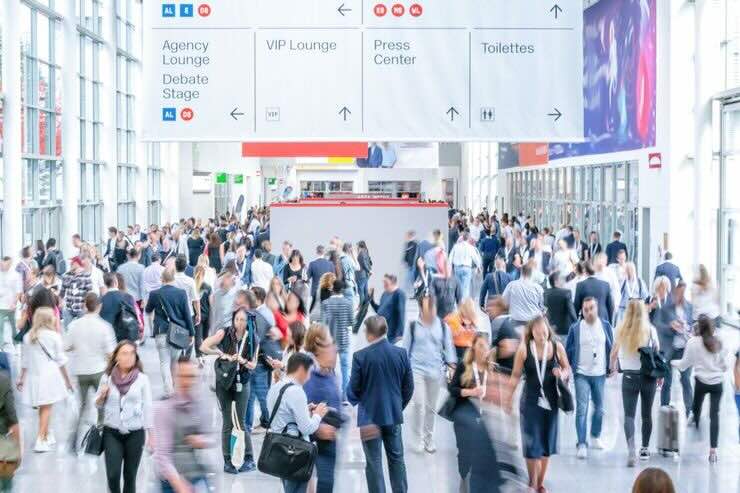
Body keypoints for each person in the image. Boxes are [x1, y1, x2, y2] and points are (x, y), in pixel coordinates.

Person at [348, 316, 413, 493]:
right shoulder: (401, 354)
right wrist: (397, 406)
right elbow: (409, 388)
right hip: (393, 415)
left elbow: (352, 391)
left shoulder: (360, 357)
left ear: (369, 334)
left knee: (373, 464)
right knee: (397, 459)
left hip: (369, 420)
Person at [507, 316, 570, 493]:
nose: (542, 336)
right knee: (531, 444)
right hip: (530, 402)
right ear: (531, 333)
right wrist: (508, 399)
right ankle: (532, 482)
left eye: (544, 332)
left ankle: (540, 483)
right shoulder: (524, 349)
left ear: (548, 331)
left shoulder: (557, 347)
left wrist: (562, 374)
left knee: (546, 444)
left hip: (551, 403)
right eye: (537, 332)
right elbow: (515, 376)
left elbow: (567, 368)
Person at [200, 307, 260, 474]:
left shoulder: (253, 338)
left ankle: (248, 458)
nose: (239, 323)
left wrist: (243, 361)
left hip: (243, 381)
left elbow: (253, 364)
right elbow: (204, 346)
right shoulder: (224, 333)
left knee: (240, 422)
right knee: (227, 422)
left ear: (248, 322)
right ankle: (227, 461)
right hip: (225, 380)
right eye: (236, 319)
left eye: (242, 320)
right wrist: (221, 354)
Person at [96, 341, 153, 493]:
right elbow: (97, 405)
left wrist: (152, 435)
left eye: (132, 353)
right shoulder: (107, 378)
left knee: (130, 476)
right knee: (113, 475)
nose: (129, 357)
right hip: (111, 432)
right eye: (124, 353)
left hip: (135, 433)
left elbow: (148, 407)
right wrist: (102, 396)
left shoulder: (142, 379)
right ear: (116, 357)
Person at [402, 295, 456, 454]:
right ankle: (417, 438)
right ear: (420, 309)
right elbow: (405, 350)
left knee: (431, 408)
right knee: (419, 405)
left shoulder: (443, 327)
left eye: (432, 309)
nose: (430, 312)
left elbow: (449, 348)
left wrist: (452, 366)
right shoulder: (412, 326)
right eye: (427, 309)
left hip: (435, 371)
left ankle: (428, 438)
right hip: (416, 370)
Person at [447, 334, 502, 493]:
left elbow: (498, 396)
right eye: (480, 346)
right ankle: (464, 477)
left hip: (486, 420)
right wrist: (471, 392)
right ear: (474, 348)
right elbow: (452, 389)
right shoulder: (464, 366)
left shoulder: (493, 368)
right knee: (465, 453)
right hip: (464, 418)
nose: (483, 349)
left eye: (486, 346)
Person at [609, 299, 660, 466]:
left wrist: (612, 368)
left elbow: (614, 353)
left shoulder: (621, 329)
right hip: (648, 376)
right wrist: (660, 375)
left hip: (629, 376)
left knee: (629, 415)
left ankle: (631, 450)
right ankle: (644, 449)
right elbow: (656, 352)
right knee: (647, 414)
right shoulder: (650, 330)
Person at [266, 353, 327, 493]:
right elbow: (307, 428)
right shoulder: (296, 391)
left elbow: (282, 415)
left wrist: (304, 410)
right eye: (309, 372)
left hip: (279, 449)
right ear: (301, 369)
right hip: (295, 453)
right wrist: (318, 415)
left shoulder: (276, 387)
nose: (309, 377)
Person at [671, 316, 728, 463]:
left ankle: (696, 424)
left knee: (696, 407)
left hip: (701, 382)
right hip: (717, 384)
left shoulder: (693, 342)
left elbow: (683, 365)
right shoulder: (718, 341)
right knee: (714, 415)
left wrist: (672, 362)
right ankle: (713, 451)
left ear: (698, 328)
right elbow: (724, 366)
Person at [16, 307, 74, 452]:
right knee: (47, 408)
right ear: (49, 319)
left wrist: (21, 378)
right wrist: (67, 381)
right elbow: (61, 361)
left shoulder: (28, 336)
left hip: (34, 376)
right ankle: (40, 439)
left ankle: (46, 434)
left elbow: (25, 361)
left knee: (43, 407)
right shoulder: (54, 336)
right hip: (50, 376)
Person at [64, 293, 117, 450]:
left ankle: (73, 441)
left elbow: (66, 346)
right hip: (99, 370)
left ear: (84, 306)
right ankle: (100, 440)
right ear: (99, 307)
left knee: (82, 406)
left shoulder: (74, 325)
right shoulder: (105, 326)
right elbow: (111, 353)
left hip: (81, 371)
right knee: (102, 406)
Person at [153, 357, 213, 493]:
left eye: (191, 376)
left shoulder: (199, 404)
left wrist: (202, 441)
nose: (187, 381)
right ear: (175, 377)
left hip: (196, 473)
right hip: (170, 479)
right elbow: (162, 455)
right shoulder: (164, 408)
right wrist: (178, 483)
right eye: (183, 376)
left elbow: (211, 436)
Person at [565, 297, 613, 459]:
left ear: (597, 308)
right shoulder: (576, 328)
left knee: (599, 408)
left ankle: (595, 435)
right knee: (582, 410)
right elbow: (568, 350)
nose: (589, 312)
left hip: (599, 374)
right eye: (586, 310)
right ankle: (581, 443)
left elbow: (611, 346)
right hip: (581, 374)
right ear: (582, 311)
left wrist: (613, 366)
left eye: (592, 308)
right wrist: (567, 369)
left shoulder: (605, 326)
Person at [303, 323, 342, 493]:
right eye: (329, 341)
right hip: (310, 436)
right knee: (307, 481)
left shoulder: (330, 369)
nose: (333, 346)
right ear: (318, 344)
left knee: (326, 482)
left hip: (329, 436)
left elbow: (335, 398)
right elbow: (297, 406)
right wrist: (318, 428)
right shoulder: (307, 370)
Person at [145, 269, 195, 396]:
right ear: (174, 278)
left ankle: (168, 390)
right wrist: (191, 333)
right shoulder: (181, 293)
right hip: (178, 332)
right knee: (174, 361)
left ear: (162, 279)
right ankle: (174, 386)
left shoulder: (154, 294)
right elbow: (187, 314)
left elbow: (148, 310)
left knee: (164, 362)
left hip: (161, 331)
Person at [655, 281, 694, 416]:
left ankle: (689, 411)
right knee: (667, 381)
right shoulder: (666, 307)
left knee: (686, 380)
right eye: (679, 292)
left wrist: (688, 328)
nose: (681, 295)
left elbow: (694, 325)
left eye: (683, 292)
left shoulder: (689, 307)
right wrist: (671, 326)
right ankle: (664, 409)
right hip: (669, 350)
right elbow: (658, 324)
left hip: (685, 349)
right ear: (675, 291)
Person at [321, 280, 354, 401]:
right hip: (344, 341)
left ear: (332, 289)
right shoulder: (348, 303)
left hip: (329, 342)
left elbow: (323, 324)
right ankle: (345, 396)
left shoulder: (325, 303)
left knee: (329, 369)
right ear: (342, 290)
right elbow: (351, 322)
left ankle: (330, 395)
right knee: (345, 369)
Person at [501, 264, 544, 331]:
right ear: (532, 273)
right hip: (532, 323)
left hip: (515, 322)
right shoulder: (538, 288)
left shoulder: (511, 285)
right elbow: (542, 306)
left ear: (521, 272)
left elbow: (503, 302)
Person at [368, 274, 406, 343]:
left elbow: (401, 313)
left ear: (392, 282)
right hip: (381, 332)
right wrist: (371, 299)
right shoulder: (385, 293)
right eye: (383, 282)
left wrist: (400, 333)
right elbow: (379, 310)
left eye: (386, 282)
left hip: (392, 333)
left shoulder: (399, 294)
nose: (384, 285)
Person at [0, 361, 20, 492]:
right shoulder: (3, 380)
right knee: (6, 483)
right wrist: (18, 449)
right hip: (2, 445)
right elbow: (12, 419)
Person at [100, 273, 138, 337]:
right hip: (125, 333)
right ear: (116, 282)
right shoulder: (127, 297)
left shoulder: (101, 300)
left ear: (105, 284)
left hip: (107, 334)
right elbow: (134, 314)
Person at [60, 256, 94, 328]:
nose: (70, 264)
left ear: (76, 263)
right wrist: (61, 302)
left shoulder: (86, 275)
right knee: (67, 329)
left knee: (81, 329)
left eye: (72, 263)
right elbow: (62, 290)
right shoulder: (67, 275)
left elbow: (89, 293)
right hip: (68, 307)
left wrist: (85, 306)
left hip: (81, 308)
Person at [449, 232, 482, 299]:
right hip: (467, 268)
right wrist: (479, 267)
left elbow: (450, 258)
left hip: (457, 268)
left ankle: (459, 301)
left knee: (458, 286)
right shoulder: (471, 247)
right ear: (468, 238)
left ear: (462, 238)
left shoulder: (456, 246)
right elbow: (476, 258)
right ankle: (464, 302)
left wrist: (449, 267)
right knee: (466, 287)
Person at [543, 271, 577, 338]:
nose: (563, 280)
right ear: (556, 281)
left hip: (550, 330)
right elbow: (572, 313)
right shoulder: (566, 293)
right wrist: (577, 324)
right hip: (564, 331)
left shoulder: (545, 293)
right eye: (561, 279)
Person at [0, 257, 22, 345]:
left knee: (13, 325)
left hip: (10, 306)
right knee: (0, 325)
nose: (1, 266)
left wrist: (14, 303)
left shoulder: (15, 275)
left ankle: (15, 341)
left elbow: (18, 291)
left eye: (3, 264)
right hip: (1, 305)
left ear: (9, 264)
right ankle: (1, 343)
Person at [117, 248, 145, 313]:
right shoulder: (141, 268)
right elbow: (142, 285)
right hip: (137, 298)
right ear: (139, 256)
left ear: (128, 256)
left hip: (124, 297)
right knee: (138, 317)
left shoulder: (120, 268)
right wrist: (144, 299)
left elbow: (118, 283)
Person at [307, 245, 334, 312]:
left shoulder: (312, 264)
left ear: (316, 252)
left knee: (312, 312)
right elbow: (333, 279)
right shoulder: (330, 264)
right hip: (327, 291)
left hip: (315, 292)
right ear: (324, 253)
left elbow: (307, 278)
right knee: (327, 312)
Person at [356, 241, 373, 305]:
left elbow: (364, 263)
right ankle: (365, 305)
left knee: (361, 291)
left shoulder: (362, 253)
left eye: (357, 245)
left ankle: (361, 305)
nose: (356, 247)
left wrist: (368, 270)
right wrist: (369, 271)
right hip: (365, 275)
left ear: (360, 246)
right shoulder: (366, 252)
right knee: (365, 290)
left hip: (361, 274)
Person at [402, 231, 419, 296]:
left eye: (407, 235)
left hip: (413, 266)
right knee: (411, 280)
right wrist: (405, 260)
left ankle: (413, 293)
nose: (406, 237)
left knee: (410, 280)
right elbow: (406, 254)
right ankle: (414, 293)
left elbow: (416, 255)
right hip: (410, 266)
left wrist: (414, 264)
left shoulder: (415, 244)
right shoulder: (408, 244)